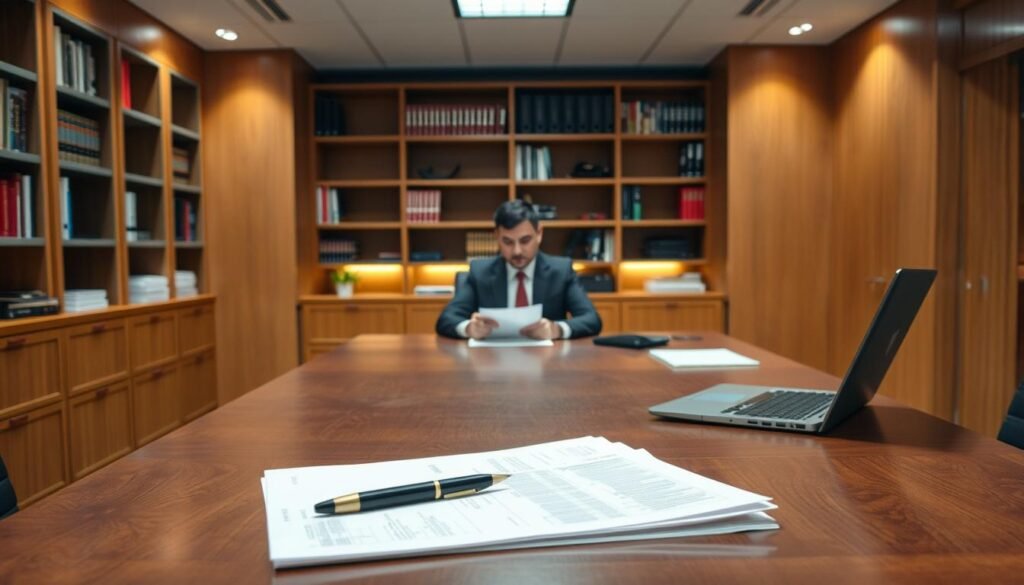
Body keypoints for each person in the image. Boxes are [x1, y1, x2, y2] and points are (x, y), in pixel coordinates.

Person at [436, 200, 602, 340]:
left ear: (539, 234)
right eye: (508, 242)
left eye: (525, 241)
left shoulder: (561, 271)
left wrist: (556, 329)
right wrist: (469, 329)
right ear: (496, 237)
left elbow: (591, 319)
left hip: (548, 364)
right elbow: (446, 319)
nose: (517, 251)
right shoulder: (480, 272)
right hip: (492, 363)